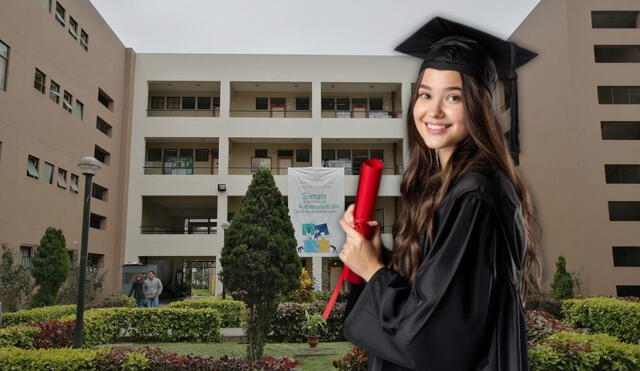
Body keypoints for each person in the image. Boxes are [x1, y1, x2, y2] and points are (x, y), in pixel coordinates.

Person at [338, 17, 541, 371]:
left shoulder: (475, 193)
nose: (434, 111)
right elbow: (436, 289)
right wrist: (378, 255)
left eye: (454, 97)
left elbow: (437, 338)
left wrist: (372, 271)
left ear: (478, 107)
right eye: (425, 95)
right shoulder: (448, 184)